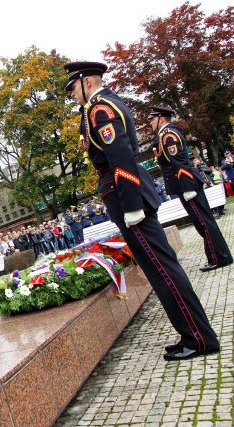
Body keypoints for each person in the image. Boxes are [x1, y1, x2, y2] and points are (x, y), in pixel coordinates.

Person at [65, 61, 220, 361]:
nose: (72, 95)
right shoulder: (104, 105)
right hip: (129, 194)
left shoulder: (100, 110)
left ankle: (199, 338)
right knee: (162, 268)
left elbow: (120, 156)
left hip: (128, 197)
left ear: (87, 82)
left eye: (73, 88)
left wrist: (132, 206)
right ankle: (193, 334)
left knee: (163, 270)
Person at [149, 105, 232, 271]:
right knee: (204, 222)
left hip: (186, 184)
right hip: (184, 184)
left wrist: (188, 187)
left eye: (152, 119)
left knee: (203, 223)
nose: (150, 122)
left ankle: (218, 258)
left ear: (161, 119)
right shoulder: (165, 134)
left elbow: (179, 161)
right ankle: (221, 256)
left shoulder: (168, 135)